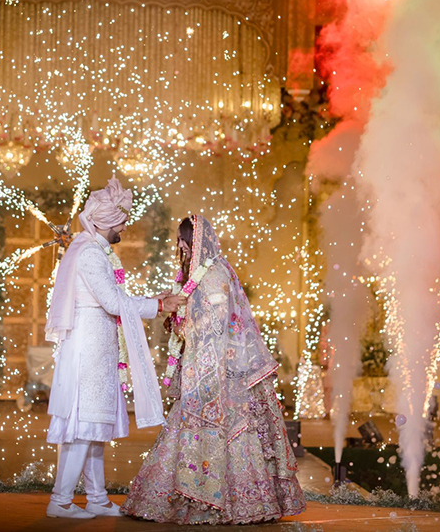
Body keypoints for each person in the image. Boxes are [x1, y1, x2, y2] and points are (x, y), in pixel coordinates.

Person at [123, 215, 306, 524]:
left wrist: (188, 322)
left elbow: (218, 323)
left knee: (231, 430)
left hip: (221, 373)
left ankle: (235, 503)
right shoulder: (194, 275)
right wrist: (178, 321)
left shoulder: (214, 275)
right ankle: (187, 497)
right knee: (187, 427)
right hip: (200, 369)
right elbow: (192, 318)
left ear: (198, 243)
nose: (180, 245)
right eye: (179, 240)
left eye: (185, 240)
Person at [43, 177, 184, 519]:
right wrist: (157, 306)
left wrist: (153, 301)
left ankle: (97, 498)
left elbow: (112, 299)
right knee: (82, 427)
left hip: (97, 347)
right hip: (89, 349)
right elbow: (110, 301)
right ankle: (60, 502)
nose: (125, 225)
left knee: (93, 426)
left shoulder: (90, 248)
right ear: (107, 222)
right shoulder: (90, 252)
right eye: (122, 220)